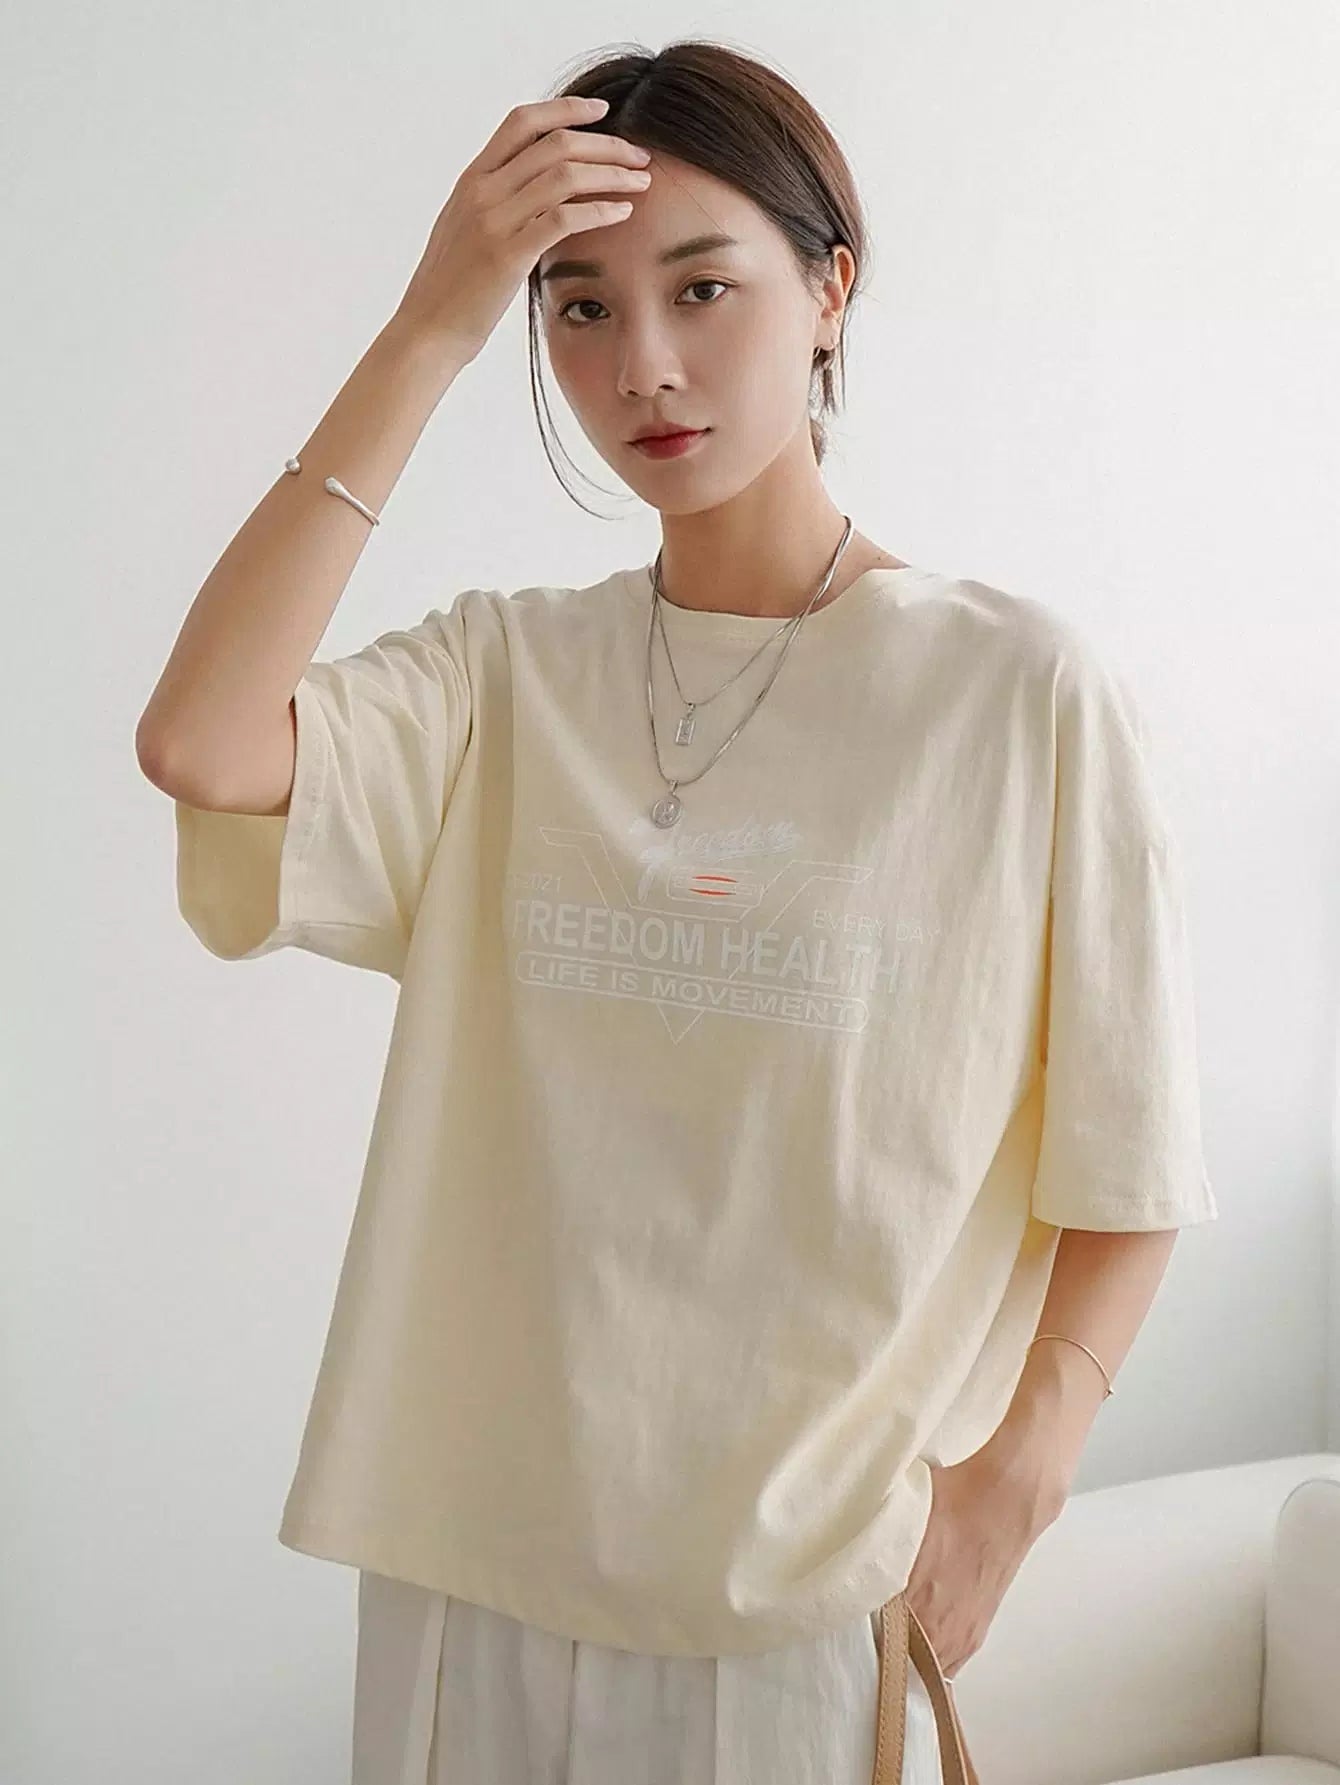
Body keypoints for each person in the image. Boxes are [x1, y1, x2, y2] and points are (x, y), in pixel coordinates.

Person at [135, 40, 1217, 1785]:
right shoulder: (505, 676)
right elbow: (200, 741)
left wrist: (1017, 1482)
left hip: (800, 1598)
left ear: (830, 292)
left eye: (704, 288)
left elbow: (1134, 1145)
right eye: (578, 307)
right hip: (472, 1569)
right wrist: (428, 326)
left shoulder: (1014, 693)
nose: (641, 363)